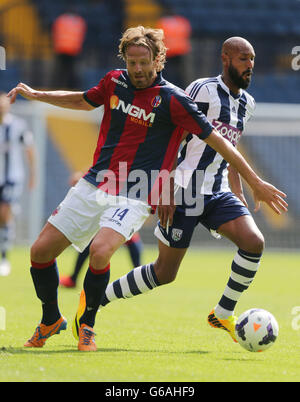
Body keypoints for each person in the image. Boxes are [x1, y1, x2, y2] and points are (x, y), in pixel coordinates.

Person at [8, 27, 287, 352]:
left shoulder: (175, 98)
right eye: (132, 62)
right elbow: (84, 101)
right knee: (40, 253)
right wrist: (38, 94)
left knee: (101, 251)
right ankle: (51, 319)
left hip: (139, 190)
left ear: (158, 60)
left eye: (143, 62)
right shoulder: (115, 82)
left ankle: (89, 326)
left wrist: (248, 184)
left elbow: (223, 143)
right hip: (105, 182)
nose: (137, 69)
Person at [97, 37, 288, 344]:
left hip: (217, 191)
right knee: (164, 273)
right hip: (182, 190)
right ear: (225, 59)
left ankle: (222, 313)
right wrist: (166, 188)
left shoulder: (246, 104)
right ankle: (96, 298)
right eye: (243, 59)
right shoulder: (203, 89)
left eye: (252, 59)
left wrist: (237, 190)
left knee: (254, 242)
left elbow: (229, 149)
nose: (250, 65)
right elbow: (173, 132)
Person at [59, 172, 143, 288]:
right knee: (97, 240)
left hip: (123, 192)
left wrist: (82, 176)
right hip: (113, 191)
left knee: (125, 236)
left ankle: (139, 277)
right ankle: (139, 277)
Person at [0, 91, 35, 276]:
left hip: (11, 178)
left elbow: (29, 149)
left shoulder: (17, 125)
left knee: (4, 214)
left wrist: (32, 175)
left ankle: (4, 258)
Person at [51, 10, 87, 89]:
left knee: (60, 71)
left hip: (61, 49)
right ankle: (72, 88)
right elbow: (81, 35)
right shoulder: (79, 21)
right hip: (73, 50)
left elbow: (55, 33)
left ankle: (57, 88)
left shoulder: (60, 19)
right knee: (72, 72)